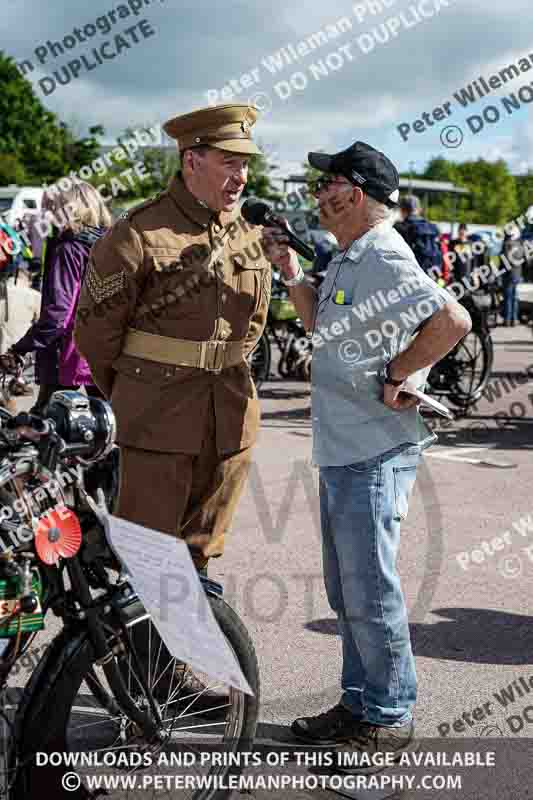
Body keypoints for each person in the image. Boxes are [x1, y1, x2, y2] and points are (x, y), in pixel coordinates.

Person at [262, 141, 471, 758]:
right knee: (347, 588)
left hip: (374, 452)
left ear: (354, 193)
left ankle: (387, 712)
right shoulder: (353, 256)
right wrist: (291, 274)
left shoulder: (381, 253)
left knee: (368, 588)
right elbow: (321, 331)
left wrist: (399, 373)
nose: (316, 196)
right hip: (344, 447)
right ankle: (358, 702)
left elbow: (452, 320)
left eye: (325, 185)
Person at [74, 104, 271, 696]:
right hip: (157, 427)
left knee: (196, 559)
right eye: (229, 163)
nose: (241, 177)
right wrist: (135, 400)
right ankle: (138, 690)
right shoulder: (137, 233)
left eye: (246, 165)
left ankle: (171, 678)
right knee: (149, 561)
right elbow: (95, 333)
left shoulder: (244, 234)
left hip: (230, 421)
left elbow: (255, 320)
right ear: (192, 161)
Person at [0, 180, 110, 414]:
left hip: (69, 351)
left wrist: (21, 347)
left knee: (43, 422)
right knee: (110, 421)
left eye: (50, 207)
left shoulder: (68, 249)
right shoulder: (108, 244)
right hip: (106, 348)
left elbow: (58, 313)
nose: (44, 215)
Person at [394, 195, 442, 277]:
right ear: (419, 210)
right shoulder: (433, 227)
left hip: (409, 274)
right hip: (431, 272)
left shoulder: (399, 228)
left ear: (403, 210)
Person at [501, 230, 525, 327]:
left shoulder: (507, 244)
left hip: (508, 274)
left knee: (508, 297)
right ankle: (514, 319)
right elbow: (523, 258)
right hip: (517, 274)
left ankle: (507, 319)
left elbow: (505, 259)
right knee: (515, 298)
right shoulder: (520, 245)